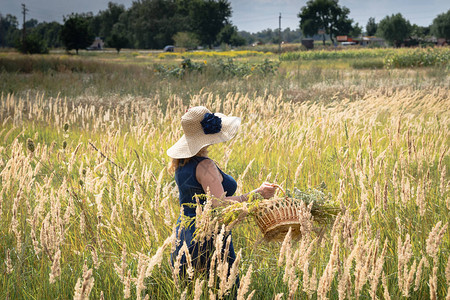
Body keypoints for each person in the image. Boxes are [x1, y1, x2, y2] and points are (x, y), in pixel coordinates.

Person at [167, 106, 277, 284]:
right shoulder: (205, 166)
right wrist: (258, 194)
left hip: (183, 236)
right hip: (209, 235)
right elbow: (220, 204)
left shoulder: (180, 164)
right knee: (227, 290)